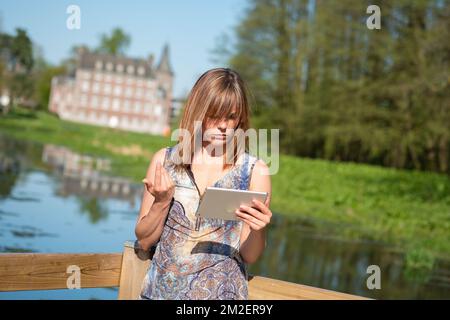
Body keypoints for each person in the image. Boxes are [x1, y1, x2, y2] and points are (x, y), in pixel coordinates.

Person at [135, 67, 272, 300]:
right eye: (215, 114)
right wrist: (161, 202)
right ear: (198, 111)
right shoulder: (165, 161)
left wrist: (259, 230)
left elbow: (249, 256)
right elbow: (144, 240)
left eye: (231, 117)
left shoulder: (254, 172)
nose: (223, 125)